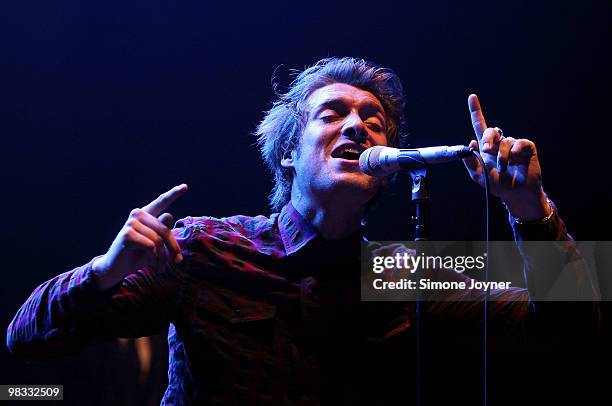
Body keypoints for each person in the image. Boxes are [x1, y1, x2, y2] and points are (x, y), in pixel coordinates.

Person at [6, 57, 598, 404]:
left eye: (375, 121)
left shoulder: (404, 269)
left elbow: (576, 328)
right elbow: (26, 339)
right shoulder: (202, 245)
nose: (359, 127)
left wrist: (530, 207)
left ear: (391, 166)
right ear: (289, 151)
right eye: (333, 113)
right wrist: (105, 273)